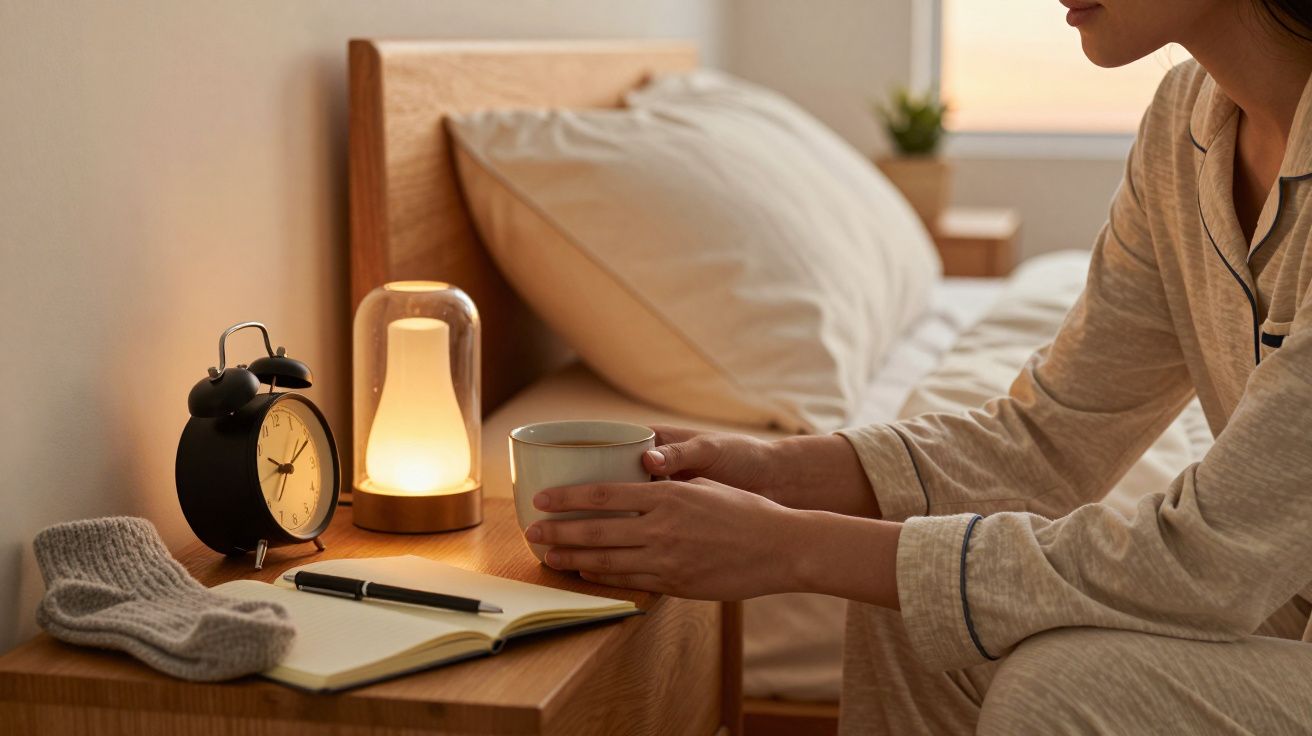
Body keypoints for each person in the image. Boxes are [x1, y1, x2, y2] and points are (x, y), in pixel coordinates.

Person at [525, 0, 1312, 732]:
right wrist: (769, 469)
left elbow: (1210, 564)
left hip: (1263, 596)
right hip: (1285, 604)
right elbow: (1050, 438)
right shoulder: (1185, 125)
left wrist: (787, 547)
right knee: (914, 588)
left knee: (1064, 683)